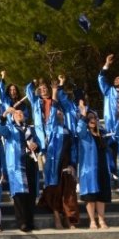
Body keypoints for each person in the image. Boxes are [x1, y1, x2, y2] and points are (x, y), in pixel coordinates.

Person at [38, 80, 80, 229]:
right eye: (57, 112)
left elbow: (74, 148)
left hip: (66, 163)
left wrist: (73, 164)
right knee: (54, 189)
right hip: (53, 162)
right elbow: (54, 105)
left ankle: (69, 218)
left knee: (68, 191)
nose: (59, 113)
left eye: (61, 112)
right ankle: (56, 217)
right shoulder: (51, 128)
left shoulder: (69, 131)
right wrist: (54, 91)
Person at [0, 106, 41, 232]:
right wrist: (4, 114)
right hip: (16, 164)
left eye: (21, 112)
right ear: (13, 117)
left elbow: (39, 144)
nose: (19, 114)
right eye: (17, 113)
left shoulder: (30, 129)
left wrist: (36, 146)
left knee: (31, 194)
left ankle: (30, 221)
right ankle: (22, 222)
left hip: (30, 162)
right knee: (19, 194)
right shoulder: (10, 129)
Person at [76, 100, 112, 229]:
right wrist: (83, 115)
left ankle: (101, 219)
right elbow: (79, 129)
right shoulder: (84, 134)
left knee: (101, 195)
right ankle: (92, 220)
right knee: (91, 196)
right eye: (90, 118)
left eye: (94, 118)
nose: (92, 120)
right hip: (89, 169)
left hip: (102, 168)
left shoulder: (102, 134)